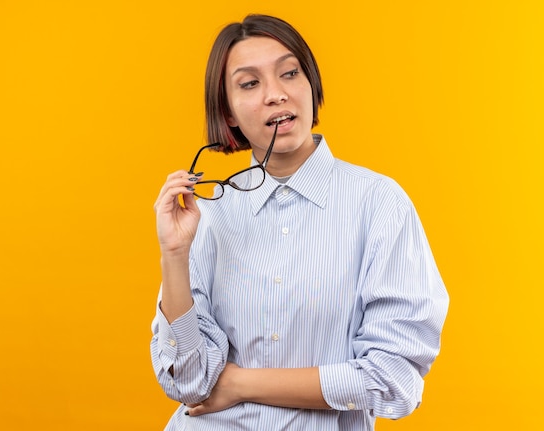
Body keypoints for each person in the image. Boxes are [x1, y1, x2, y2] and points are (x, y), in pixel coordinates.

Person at [151, 14, 448, 431]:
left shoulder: (379, 204)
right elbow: (188, 382)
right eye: (249, 83)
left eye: (290, 73)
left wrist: (240, 384)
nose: (276, 94)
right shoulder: (209, 211)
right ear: (229, 113)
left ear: (311, 85)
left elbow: (393, 379)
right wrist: (174, 254)